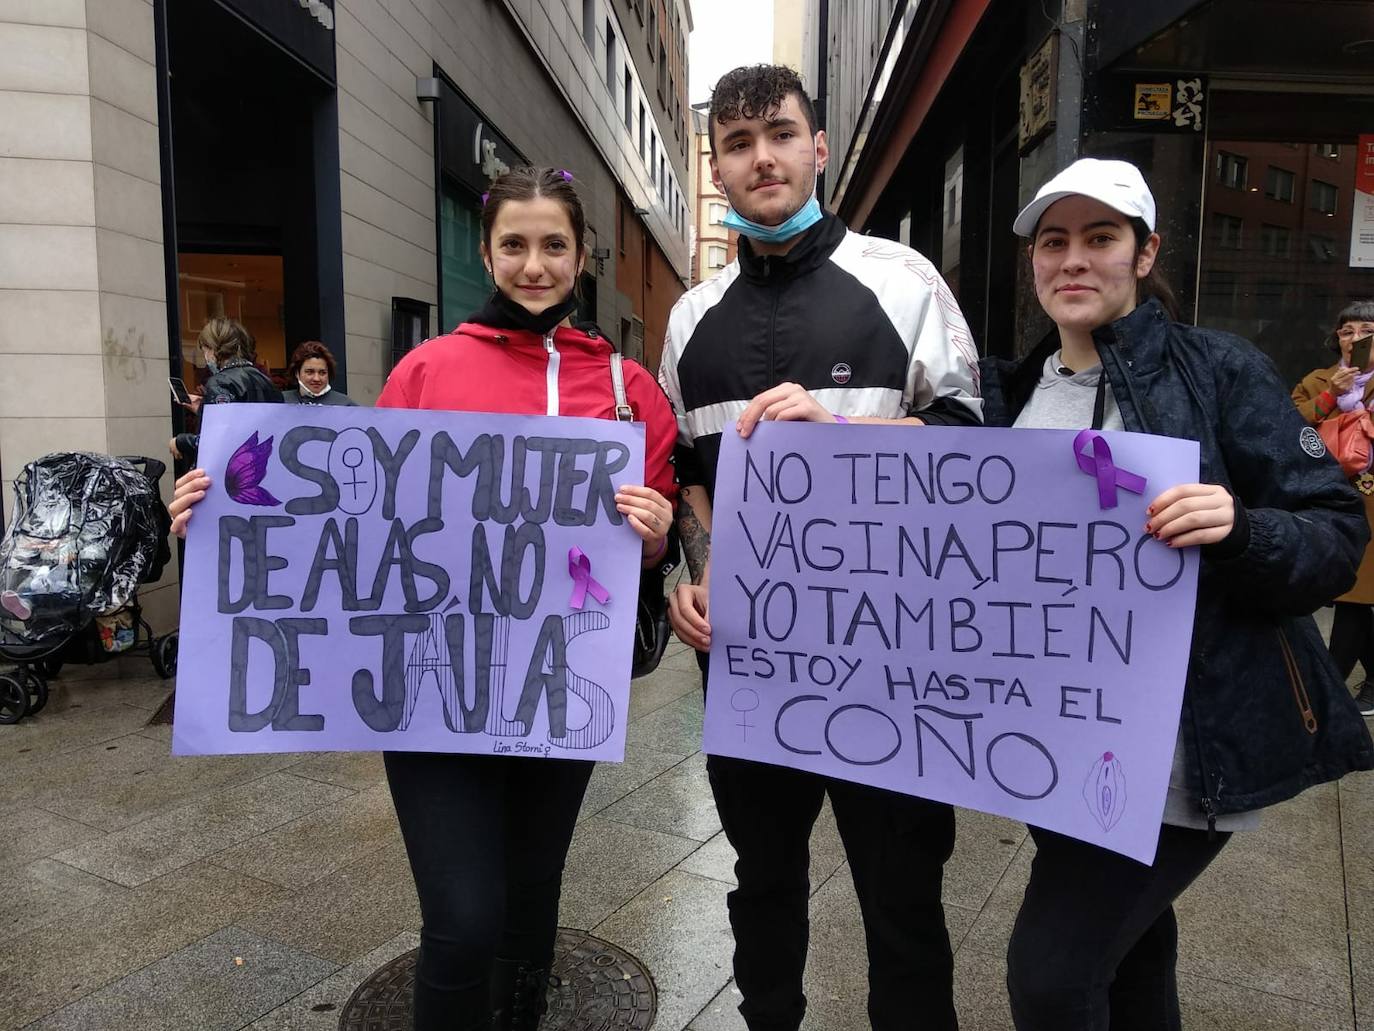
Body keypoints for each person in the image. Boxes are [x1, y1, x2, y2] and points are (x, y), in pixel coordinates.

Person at [166, 167, 678, 1031]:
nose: (534, 264)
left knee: (531, 894)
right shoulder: (427, 370)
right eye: (514, 244)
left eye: (554, 244)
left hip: (556, 686)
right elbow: (353, 513)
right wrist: (217, 519)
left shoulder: (630, 389)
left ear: (582, 255)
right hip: (433, 691)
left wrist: (656, 529)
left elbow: (646, 551)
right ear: (487, 252)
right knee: (463, 918)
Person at [979, 157, 1374, 1030]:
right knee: (1131, 950)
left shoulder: (1218, 370)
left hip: (1180, 758)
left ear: (1145, 253)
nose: (1074, 260)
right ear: (1035, 262)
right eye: (1054, 241)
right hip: (1058, 747)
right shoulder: (1008, 394)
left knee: (1050, 974)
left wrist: (1241, 527)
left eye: (1101, 238)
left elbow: (1337, 534)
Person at [659, 64, 981, 1031]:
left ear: (819, 146)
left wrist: (840, 437)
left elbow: (971, 446)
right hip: (751, 662)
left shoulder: (903, 279)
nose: (762, 157)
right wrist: (698, 570)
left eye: (781, 134)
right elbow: (689, 474)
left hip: (895, 659)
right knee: (763, 884)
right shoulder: (689, 317)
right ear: (715, 165)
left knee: (903, 899)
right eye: (738, 142)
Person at [1293, 300, 1374, 716]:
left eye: (1365, 330)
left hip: (1372, 502)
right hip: (1330, 498)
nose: (1355, 339)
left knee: (1354, 596)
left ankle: (1328, 687)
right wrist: (1330, 396)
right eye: (1347, 331)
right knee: (1354, 594)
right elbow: (1287, 426)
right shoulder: (1318, 380)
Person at [169, 317, 282, 465]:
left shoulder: (220, 382)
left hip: (230, 472)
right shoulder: (265, 380)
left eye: (204, 350)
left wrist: (180, 441)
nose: (205, 357)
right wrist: (202, 408)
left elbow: (219, 441)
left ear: (213, 348)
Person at [282, 340, 358, 406]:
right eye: (309, 372)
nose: (316, 378)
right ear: (297, 373)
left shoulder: (344, 404)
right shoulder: (281, 401)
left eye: (322, 373)